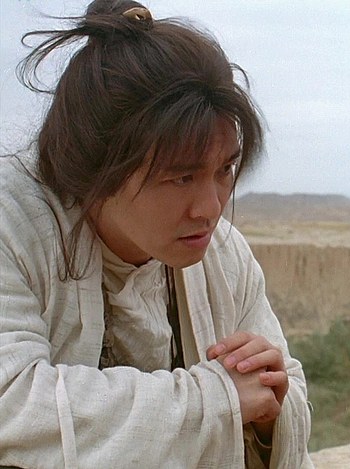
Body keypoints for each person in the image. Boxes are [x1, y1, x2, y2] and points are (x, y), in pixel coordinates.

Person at [0, 1, 312, 467]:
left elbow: (285, 394)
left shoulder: (224, 256)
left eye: (224, 170)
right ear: (101, 167)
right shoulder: (13, 225)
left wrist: (268, 406)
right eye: (181, 177)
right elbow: (14, 404)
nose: (211, 209)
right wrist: (217, 400)